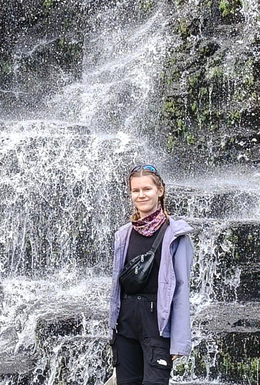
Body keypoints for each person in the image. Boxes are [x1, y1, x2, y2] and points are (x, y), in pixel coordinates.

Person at [107, 164, 194, 385]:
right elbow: (118, 286)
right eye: (135, 190)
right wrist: (112, 326)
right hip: (126, 325)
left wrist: (179, 341)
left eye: (147, 189)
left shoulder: (176, 235)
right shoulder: (123, 234)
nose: (141, 195)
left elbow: (181, 289)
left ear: (160, 191)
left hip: (157, 325)